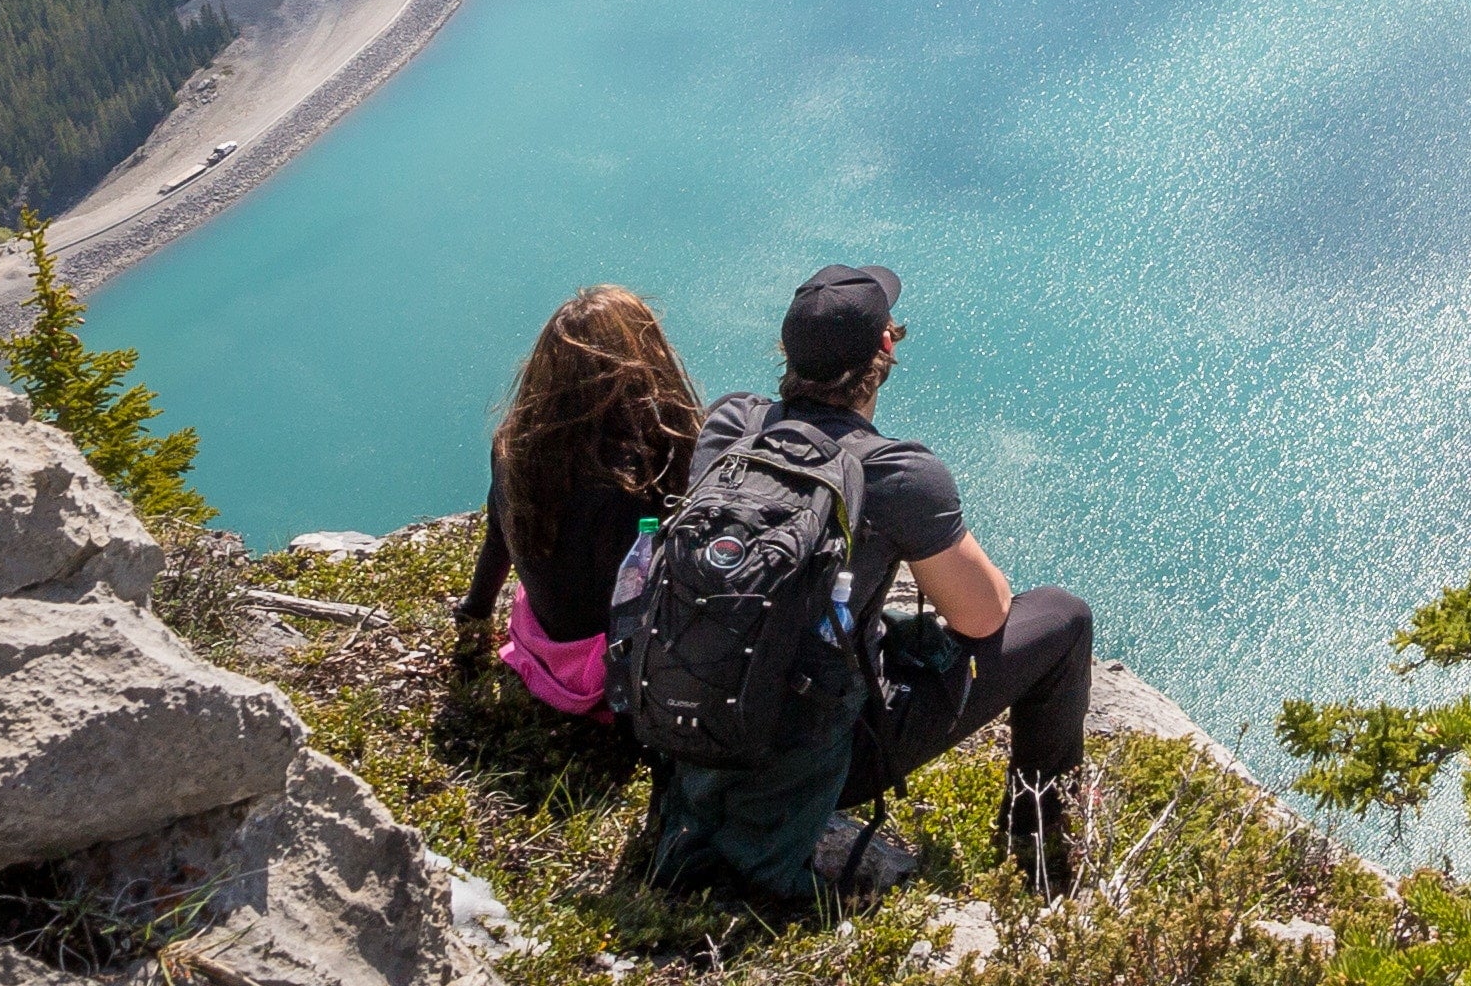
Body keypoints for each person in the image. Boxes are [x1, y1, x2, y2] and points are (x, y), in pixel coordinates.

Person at [642, 262, 1096, 909]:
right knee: (1062, 618)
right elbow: (984, 618)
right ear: (886, 347)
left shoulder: (730, 426)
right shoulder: (896, 472)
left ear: (788, 350)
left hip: (694, 722)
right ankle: (1037, 842)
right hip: (820, 757)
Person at [453, 285, 701, 726]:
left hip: (545, 651)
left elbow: (499, 534)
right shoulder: (650, 464)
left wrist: (474, 610)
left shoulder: (515, 444)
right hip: (614, 676)